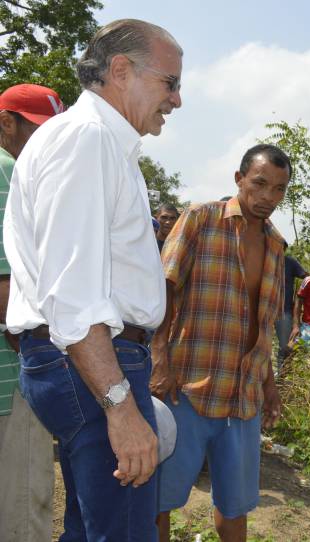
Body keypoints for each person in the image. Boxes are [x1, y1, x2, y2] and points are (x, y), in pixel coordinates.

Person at [3, 19, 182, 541]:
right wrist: (121, 408)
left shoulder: (99, 143)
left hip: (84, 363)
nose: (176, 100)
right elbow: (74, 293)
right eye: (169, 83)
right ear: (121, 71)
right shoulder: (86, 140)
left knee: (92, 531)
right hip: (90, 362)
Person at [150, 143, 290, 542]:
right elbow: (165, 288)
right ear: (239, 179)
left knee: (235, 506)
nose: (268, 197)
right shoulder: (201, 218)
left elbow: (262, 324)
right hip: (186, 389)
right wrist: (159, 357)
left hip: (243, 399)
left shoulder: (276, 245)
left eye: (279, 189)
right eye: (260, 184)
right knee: (159, 500)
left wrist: (270, 387)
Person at [0, 83, 63, 542]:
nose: (44, 144)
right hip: (10, 377)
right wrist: (38, 357)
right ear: (7, 123)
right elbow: (6, 283)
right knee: (24, 508)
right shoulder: (8, 170)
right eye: (36, 131)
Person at [275, 241, 308, 373]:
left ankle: (282, 375)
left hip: (284, 310)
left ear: (284, 249)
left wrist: (299, 296)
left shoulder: (290, 262)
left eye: (281, 248)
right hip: (264, 310)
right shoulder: (264, 259)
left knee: (286, 346)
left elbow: (307, 278)